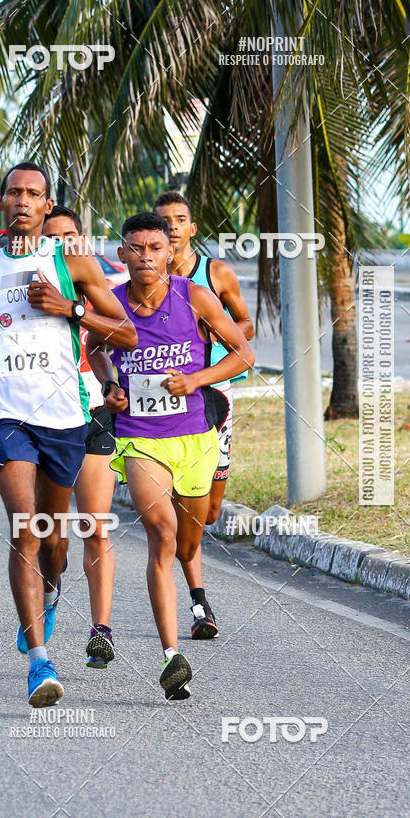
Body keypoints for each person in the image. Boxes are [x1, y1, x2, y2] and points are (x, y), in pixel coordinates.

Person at [0, 163, 136, 707]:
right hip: (6, 415)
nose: (22, 201)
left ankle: (52, 591)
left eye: (34, 194)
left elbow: (126, 333)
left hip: (65, 418)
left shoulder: (74, 263)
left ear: (47, 207)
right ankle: (40, 663)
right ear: (1, 202)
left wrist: (70, 309)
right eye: (14, 192)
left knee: (54, 540)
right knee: (24, 527)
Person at [87, 212, 254, 700]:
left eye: (154, 248)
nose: (145, 257)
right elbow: (94, 347)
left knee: (189, 537)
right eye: (135, 248)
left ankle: (195, 595)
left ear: (169, 252)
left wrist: (196, 379)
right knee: (161, 534)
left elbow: (243, 353)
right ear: (122, 255)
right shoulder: (110, 302)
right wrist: (110, 383)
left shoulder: (194, 296)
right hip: (140, 439)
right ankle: (170, 656)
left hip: (196, 436)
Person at [153, 191, 255, 640]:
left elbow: (245, 327)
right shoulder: (141, 278)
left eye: (180, 220)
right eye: (164, 222)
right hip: (165, 407)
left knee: (208, 513)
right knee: (171, 515)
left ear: (193, 228)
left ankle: (185, 560)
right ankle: (197, 601)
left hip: (215, 396)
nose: (173, 228)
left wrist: (210, 340)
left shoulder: (215, 274)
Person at [42, 206, 116, 669]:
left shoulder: (93, 285)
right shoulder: (29, 288)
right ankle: (49, 592)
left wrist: (111, 385)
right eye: (55, 237)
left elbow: (115, 341)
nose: (65, 244)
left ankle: (101, 632)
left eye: (71, 235)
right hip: (44, 418)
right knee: (52, 536)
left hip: (91, 414)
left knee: (95, 525)